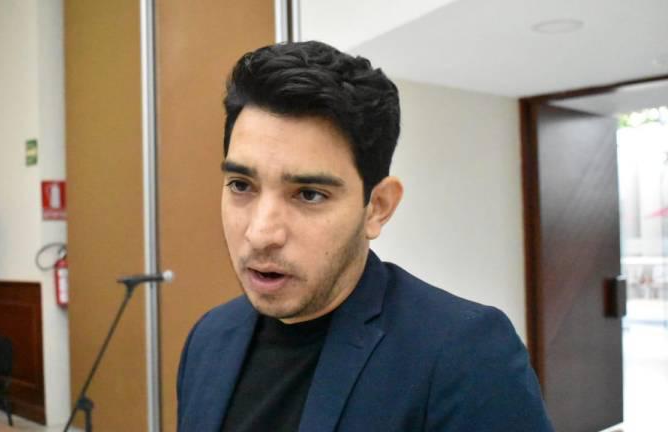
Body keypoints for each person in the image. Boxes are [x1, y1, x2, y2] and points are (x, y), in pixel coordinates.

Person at [177, 40, 553, 432]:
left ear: (377, 207)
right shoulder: (208, 340)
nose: (260, 233)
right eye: (241, 185)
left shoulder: (465, 355)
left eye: (309, 194)